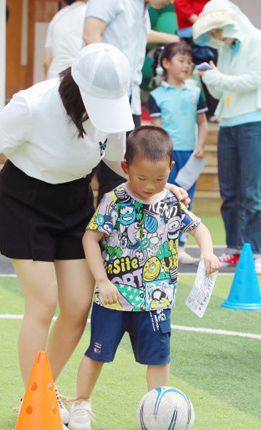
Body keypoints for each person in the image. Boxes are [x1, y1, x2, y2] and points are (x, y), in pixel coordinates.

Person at [0, 44, 187, 430]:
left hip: (75, 199)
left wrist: (163, 187)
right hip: (26, 202)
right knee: (42, 302)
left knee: (77, 306)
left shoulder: (110, 110)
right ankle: (37, 397)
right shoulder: (31, 105)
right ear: (77, 87)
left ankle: (45, 389)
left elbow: (114, 159)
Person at [66, 125, 220, 430]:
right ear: (125, 167)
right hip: (113, 298)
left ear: (170, 169)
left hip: (157, 300)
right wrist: (102, 280)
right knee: (97, 353)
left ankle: (157, 410)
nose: (150, 186)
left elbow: (199, 228)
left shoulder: (172, 202)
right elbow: (89, 239)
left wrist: (207, 251)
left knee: (158, 358)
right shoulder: (114, 200)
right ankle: (81, 402)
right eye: (142, 178)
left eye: (160, 179)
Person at [192, 0, 261, 275]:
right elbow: (221, 93)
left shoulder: (259, 41)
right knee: (229, 192)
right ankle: (236, 247)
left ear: (230, 23)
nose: (215, 36)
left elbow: (252, 80)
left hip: (256, 121)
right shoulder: (227, 49)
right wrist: (210, 78)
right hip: (228, 122)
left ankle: (259, 252)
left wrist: (216, 77)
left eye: (217, 29)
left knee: (253, 192)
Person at [83, 0, 180, 205]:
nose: (171, 2)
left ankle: (111, 234)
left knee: (121, 172)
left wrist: (173, 38)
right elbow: (91, 34)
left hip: (130, 101)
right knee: (85, 168)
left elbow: (135, 36)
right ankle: (82, 234)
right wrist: (108, 81)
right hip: (104, 96)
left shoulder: (142, 9)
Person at [149, 42, 208, 264]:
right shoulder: (157, 95)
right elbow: (156, 128)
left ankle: (179, 247)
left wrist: (200, 145)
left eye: (189, 62)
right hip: (167, 157)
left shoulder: (196, 92)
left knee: (185, 202)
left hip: (190, 157)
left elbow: (202, 123)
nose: (186, 66)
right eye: (181, 61)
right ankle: (159, 244)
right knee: (163, 199)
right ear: (165, 63)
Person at [173, 0, 219, 121]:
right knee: (184, 72)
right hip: (191, 32)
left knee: (211, 71)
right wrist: (199, 22)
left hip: (210, 33)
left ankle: (213, 111)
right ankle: (182, 110)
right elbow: (180, 3)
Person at [43, 0, 87, 81]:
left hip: (53, 78)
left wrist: (48, 81)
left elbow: (46, 61)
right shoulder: (90, 15)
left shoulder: (57, 17)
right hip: (75, 79)